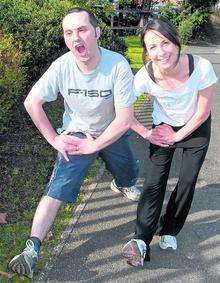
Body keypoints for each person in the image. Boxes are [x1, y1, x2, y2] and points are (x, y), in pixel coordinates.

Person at [8, 7, 141, 278]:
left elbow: (125, 119)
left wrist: (98, 144)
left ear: (97, 32)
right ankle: (32, 249)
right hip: (78, 134)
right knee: (58, 185)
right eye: (69, 32)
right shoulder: (62, 66)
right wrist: (55, 139)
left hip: (111, 131)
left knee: (129, 175)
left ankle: (121, 182)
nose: (75, 38)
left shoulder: (117, 65)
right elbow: (31, 102)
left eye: (82, 30)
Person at [122, 15, 218, 267]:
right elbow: (123, 109)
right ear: (146, 51)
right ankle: (141, 240)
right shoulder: (145, 76)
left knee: (186, 181)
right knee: (154, 183)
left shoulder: (202, 67)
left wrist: (178, 135)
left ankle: (168, 230)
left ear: (176, 41)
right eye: (152, 46)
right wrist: (146, 133)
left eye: (164, 43)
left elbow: (203, 113)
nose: (160, 52)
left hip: (195, 130)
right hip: (163, 130)